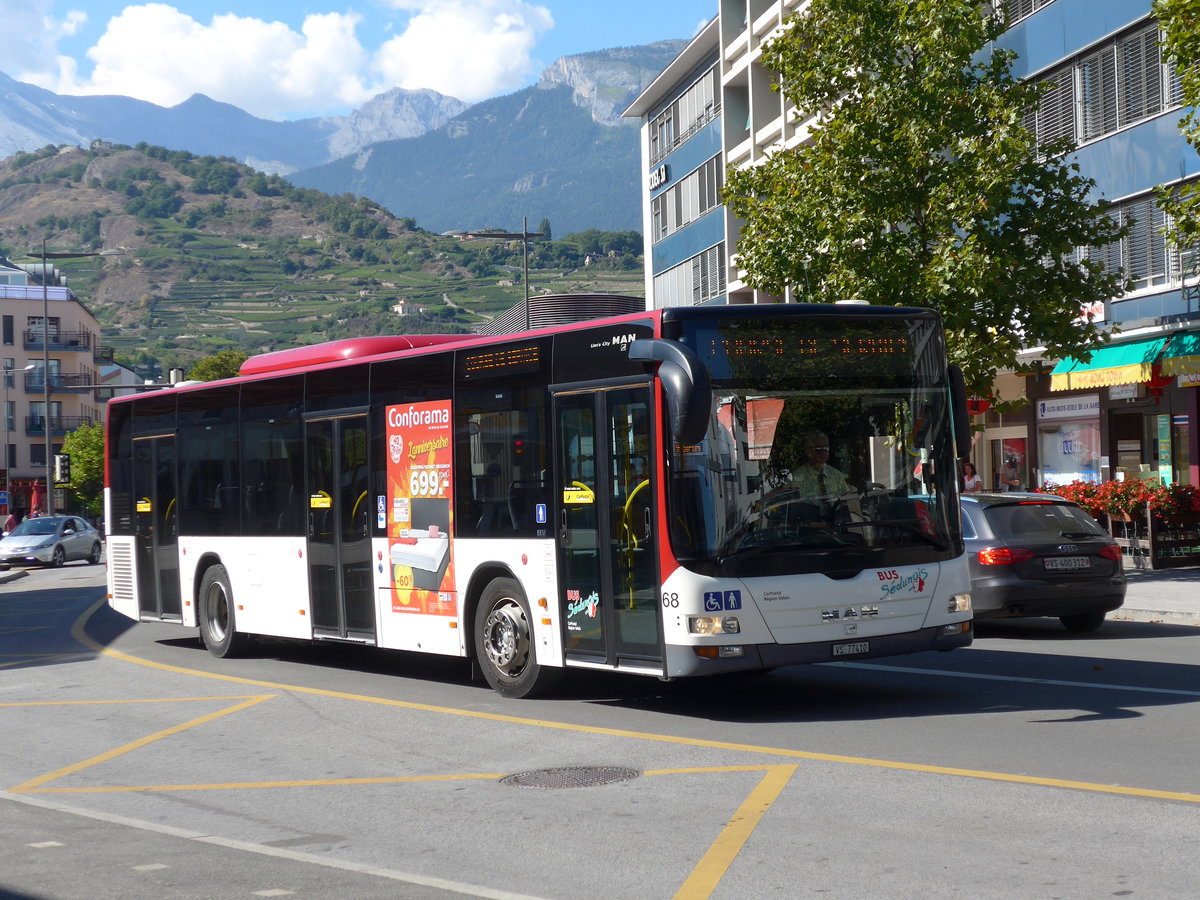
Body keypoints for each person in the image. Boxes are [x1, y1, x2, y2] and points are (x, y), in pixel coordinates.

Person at [787, 429, 850, 498]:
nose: (822, 453)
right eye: (818, 449)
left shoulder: (837, 475)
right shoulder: (795, 478)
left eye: (825, 448)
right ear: (807, 451)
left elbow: (845, 500)